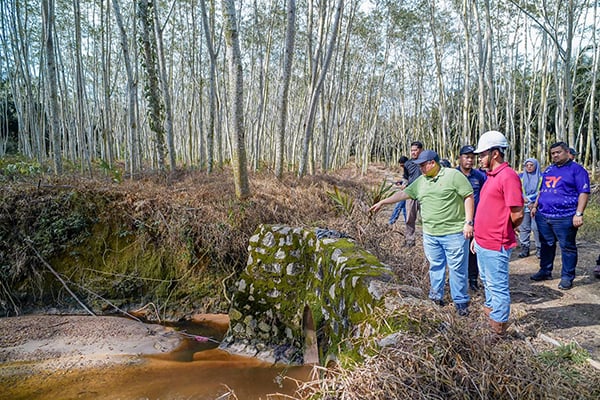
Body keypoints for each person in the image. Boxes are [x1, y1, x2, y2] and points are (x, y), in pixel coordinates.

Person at [371, 150, 475, 316]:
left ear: (432, 163)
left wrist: (468, 223)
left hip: (454, 233)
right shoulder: (421, 181)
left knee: (457, 269)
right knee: (436, 266)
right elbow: (404, 193)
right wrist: (384, 202)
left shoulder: (453, 176)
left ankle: (461, 302)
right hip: (431, 234)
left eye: (422, 165)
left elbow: (468, 196)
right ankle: (436, 297)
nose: (420, 168)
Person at [472, 131, 524, 335]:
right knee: (487, 282)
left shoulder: (508, 176)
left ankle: (497, 329)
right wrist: (478, 236)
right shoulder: (490, 176)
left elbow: (517, 213)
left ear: (495, 153)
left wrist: (503, 229)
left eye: (483, 154)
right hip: (483, 242)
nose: (480, 159)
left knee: (497, 286)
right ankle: (491, 315)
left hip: (496, 243)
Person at [530, 142, 590, 290]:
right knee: (546, 244)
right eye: (553, 153)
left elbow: (584, 193)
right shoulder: (549, 169)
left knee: (567, 247)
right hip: (544, 215)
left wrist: (579, 213)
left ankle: (567, 277)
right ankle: (545, 270)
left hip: (565, 216)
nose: (555, 155)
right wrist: (535, 206)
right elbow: (542, 190)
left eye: (558, 152)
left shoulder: (577, 170)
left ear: (567, 152)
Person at [456, 145, 487, 291]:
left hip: (474, 220)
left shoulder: (478, 176)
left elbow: (483, 195)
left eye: (472, 158)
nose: (470, 160)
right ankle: (459, 281)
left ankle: (473, 280)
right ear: (460, 158)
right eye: (467, 157)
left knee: (473, 252)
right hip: (456, 220)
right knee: (458, 252)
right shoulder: (453, 174)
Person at [518, 158, 542, 258]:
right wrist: (524, 200)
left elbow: (542, 191)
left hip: (537, 206)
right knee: (523, 228)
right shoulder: (520, 177)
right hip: (523, 205)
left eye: (531, 165)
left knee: (536, 228)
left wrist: (533, 202)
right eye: (527, 165)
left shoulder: (541, 177)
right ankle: (524, 248)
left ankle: (539, 248)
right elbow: (517, 189)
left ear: (536, 166)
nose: (529, 167)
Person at [402, 141, 424, 247]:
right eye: (412, 150)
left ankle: (430, 241)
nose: (413, 152)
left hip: (425, 194)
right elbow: (405, 177)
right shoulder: (408, 164)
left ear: (421, 150)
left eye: (415, 150)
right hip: (411, 194)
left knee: (427, 218)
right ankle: (410, 240)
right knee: (409, 218)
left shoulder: (426, 162)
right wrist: (404, 185)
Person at [388, 156, 409, 225]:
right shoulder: (406, 169)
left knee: (398, 206)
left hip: (407, 192)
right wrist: (401, 182)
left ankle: (391, 222)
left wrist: (405, 185)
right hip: (406, 191)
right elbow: (406, 179)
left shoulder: (410, 169)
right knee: (404, 208)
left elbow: (412, 180)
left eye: (402, 165)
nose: (402, 167)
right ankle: (407, 223)